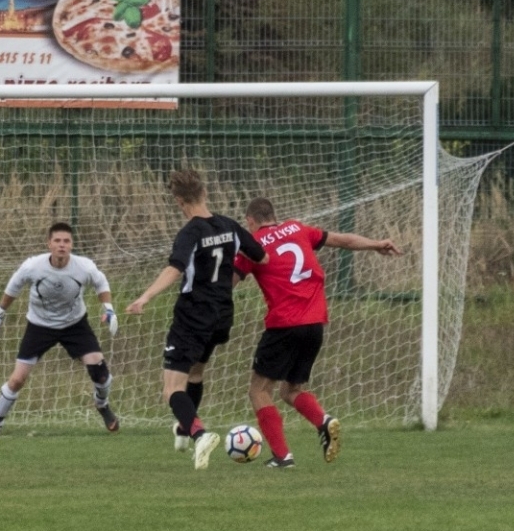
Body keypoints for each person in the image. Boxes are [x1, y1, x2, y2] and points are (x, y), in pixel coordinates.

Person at [233, 196, 402, 468]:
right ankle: (323, 421)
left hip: (284, 324)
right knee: (291, 389)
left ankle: (282, 456)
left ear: (250, 221)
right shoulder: (299, 229)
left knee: (259, 390)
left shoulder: (253, 246)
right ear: (274, 216)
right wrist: (375, 244)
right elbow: (343, 241)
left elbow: (228, 282)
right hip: (315, 325)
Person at [124, 166, 266, 469]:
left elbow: (175, 268)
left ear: (178, 201)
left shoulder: (190, 233)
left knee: (172, 388)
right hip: (222, 314)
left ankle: (200, 434)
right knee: (196, 373)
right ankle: (185, 430)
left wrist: (145, 297)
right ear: (205, 192)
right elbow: (261, 256)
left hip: (193, 315)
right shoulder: (230, 226)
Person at [0, 222, 120, 435]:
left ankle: (102, 405)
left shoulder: (84, 267)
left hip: (75, 325)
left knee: (100, 373)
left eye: (66, 241)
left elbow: (101, 284)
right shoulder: (32, 266)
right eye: (57, 241)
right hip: (39, 326)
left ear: (72, 244)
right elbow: (13, 288)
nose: (62, 245)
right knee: (18, 379)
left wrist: (108, 308)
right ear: (49, 244)